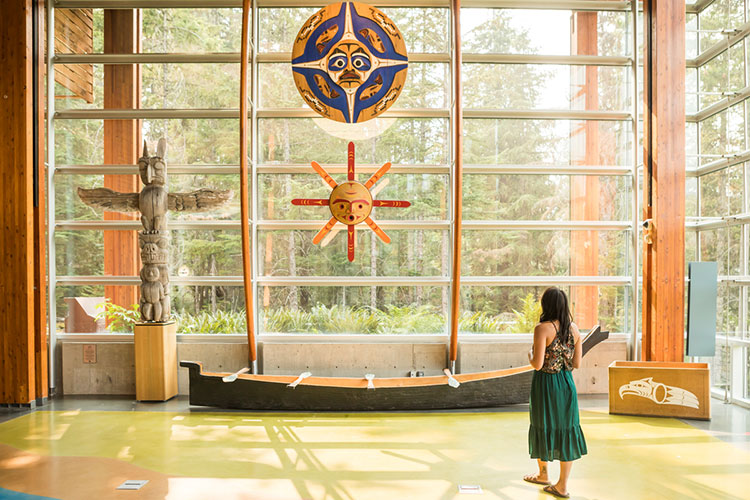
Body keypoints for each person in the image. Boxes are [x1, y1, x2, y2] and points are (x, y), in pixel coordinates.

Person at [523, 287, 587, 499]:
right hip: (567, 384)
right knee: (566, 429)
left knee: (542, 424)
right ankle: (562, 485)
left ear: (545, 305)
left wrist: (530, 354)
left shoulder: (542, 329)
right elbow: (576, 363)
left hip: (546, 384)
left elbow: (538, 364)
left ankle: (543, 474)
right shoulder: (575, 330)